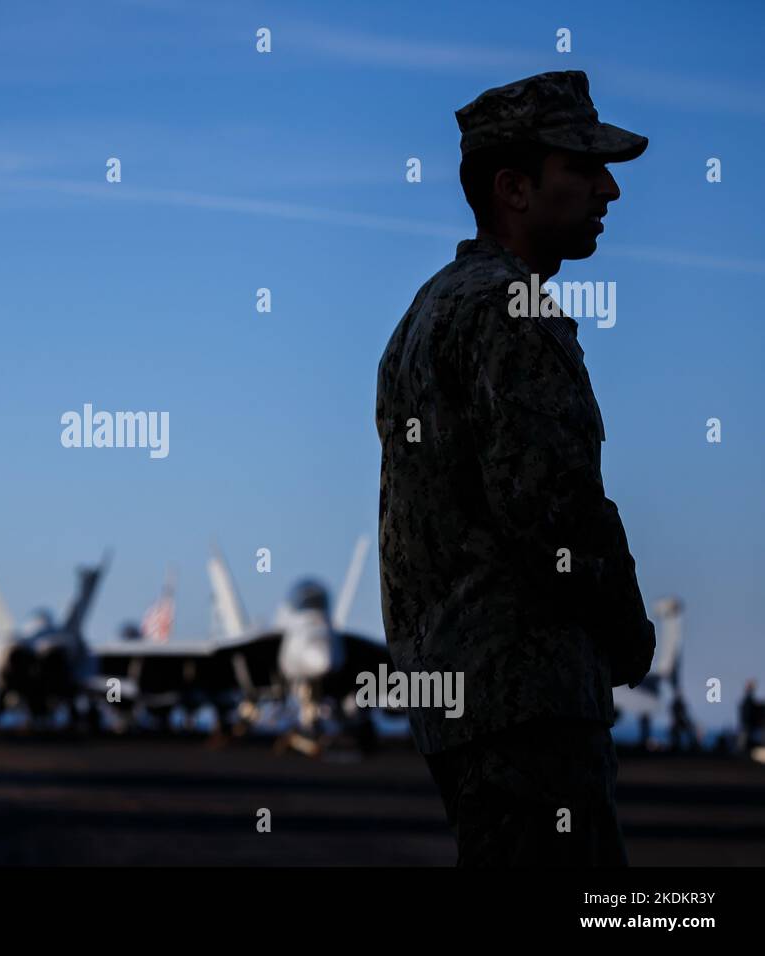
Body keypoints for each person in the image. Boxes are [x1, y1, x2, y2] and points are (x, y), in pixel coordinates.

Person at [375, 71, 656, 866]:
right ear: (514, 188)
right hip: (529, 700)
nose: (609, 190)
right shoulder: (512, 309)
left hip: (464, 699)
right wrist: (628, 631)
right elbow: (553, 508)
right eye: (583, 168)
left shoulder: (427, 312)